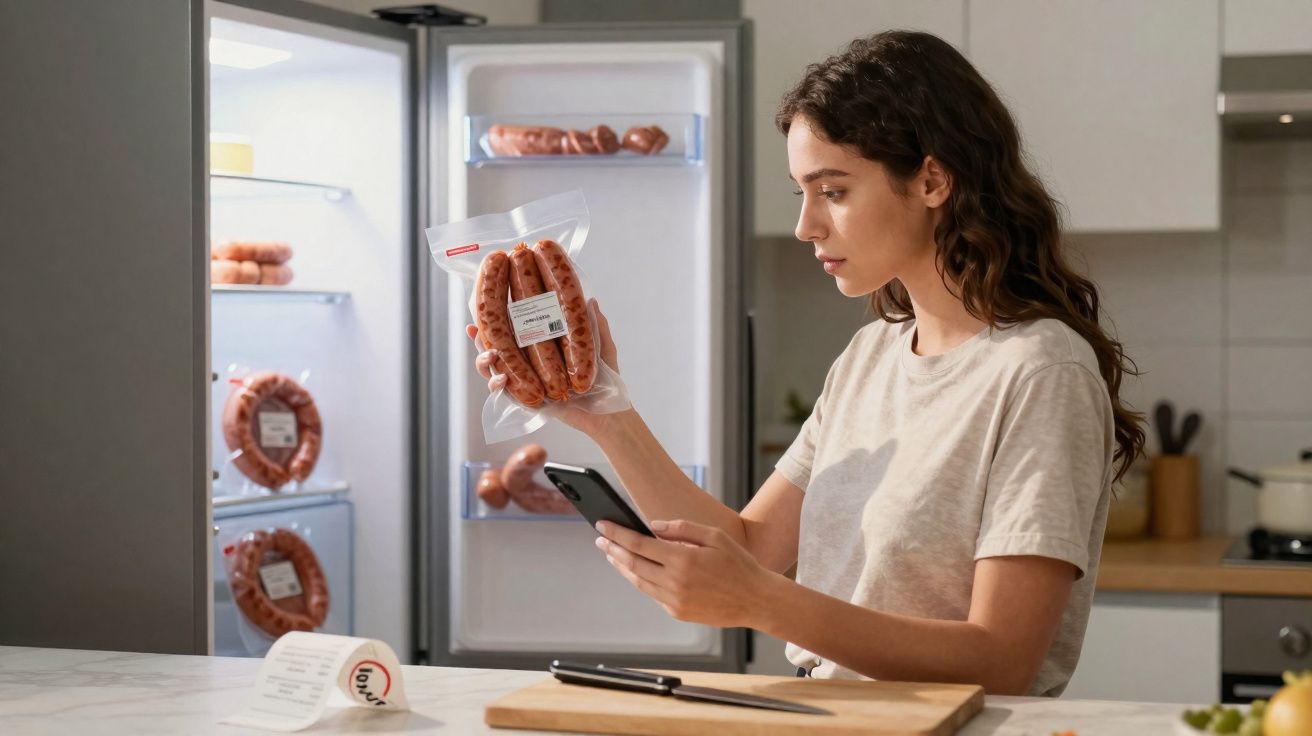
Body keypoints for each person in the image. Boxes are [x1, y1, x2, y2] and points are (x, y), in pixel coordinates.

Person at [467, 30, 1145, 697]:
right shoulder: (871, 355)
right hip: (829, 714)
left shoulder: (1041, 371)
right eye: (802, 192)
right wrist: (606, 415)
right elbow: (750, 543)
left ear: (932, 179)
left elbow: (1003, 661)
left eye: (835, 191)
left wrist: (763, 604)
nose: (806, 225)